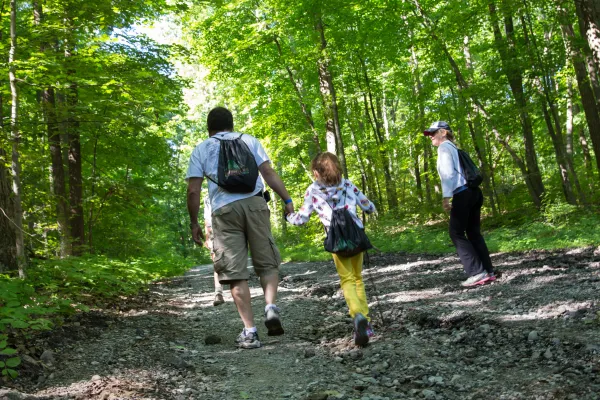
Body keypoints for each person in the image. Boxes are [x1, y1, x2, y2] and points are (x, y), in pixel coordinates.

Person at [186, 107, 295, 349]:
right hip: (256, 204)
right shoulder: (249, 140)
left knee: (235, 272)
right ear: (231, 124)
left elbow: (193, 191)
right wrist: (288, 201)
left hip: (224, 212)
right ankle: (270, 307)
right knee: (266, 262)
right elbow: (268, 172)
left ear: (209, 127)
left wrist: (194, 223)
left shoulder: (202, 148)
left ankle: (250, 331)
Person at [286, 152, 376, 347]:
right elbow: (369, 206)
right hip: (356, 235)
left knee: (347, 279)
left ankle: (357, 315)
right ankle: (366, 323)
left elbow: (301, 219)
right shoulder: (348, 184)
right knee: (358, 278)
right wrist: (365, 209)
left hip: (337, 239)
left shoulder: (313, 190)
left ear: (317, 172)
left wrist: (288, 217)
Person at [423, 121, 495, 287]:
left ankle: (477, 273)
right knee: (473, 232)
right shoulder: (455, 147)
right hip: (474, 192)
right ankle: (488, 271)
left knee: (456, 233)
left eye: (433, 133)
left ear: (443, 132)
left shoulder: (444, 148)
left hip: (462, 192)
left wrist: (446, 197)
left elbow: (448, 174)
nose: (431, 137)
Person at [203, 195, 225, 306]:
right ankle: (218, 293)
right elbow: (207, 220)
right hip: (215, 230)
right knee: (217, 263)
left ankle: (240, 292)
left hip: (230, 229)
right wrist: (207, 237)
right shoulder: (208, 197)